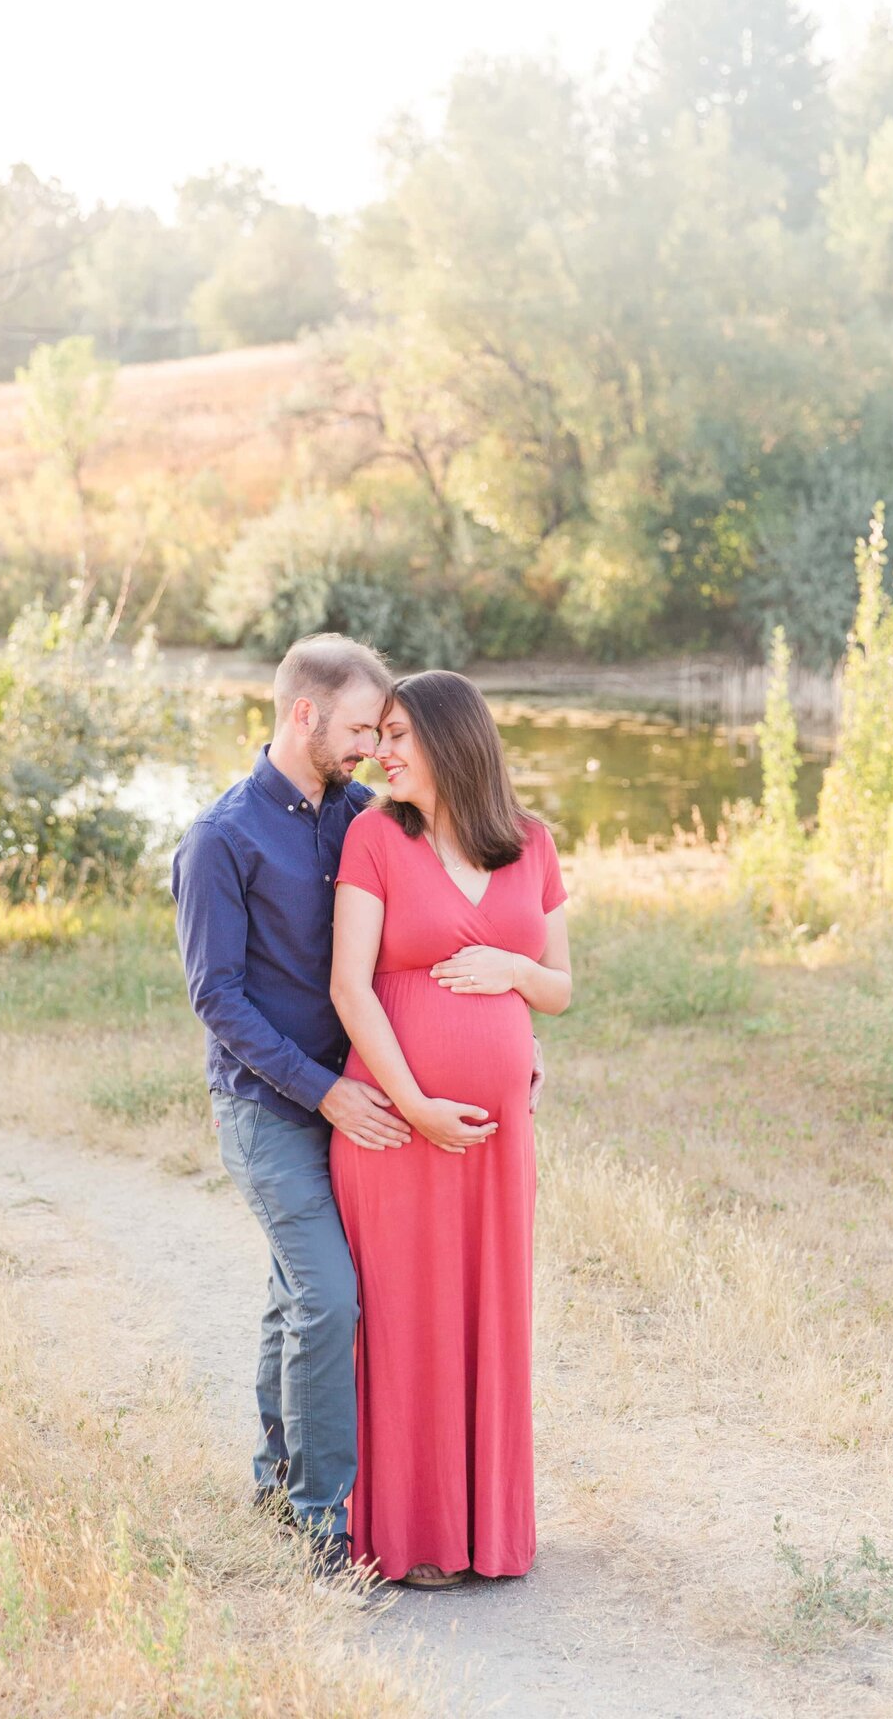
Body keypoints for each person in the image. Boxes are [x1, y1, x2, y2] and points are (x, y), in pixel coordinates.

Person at [330, 669, 572, 1587]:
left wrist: (510, 966)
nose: (379, 753)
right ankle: (418, 1535)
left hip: (500, 1138)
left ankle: (488, 1531)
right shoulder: (373, 839)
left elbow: (559, 987)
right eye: (377, 734)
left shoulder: (531, 842)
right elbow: (350, 986)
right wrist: (418, 1105)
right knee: (406, 1318)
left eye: (397, 736)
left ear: (451, 741)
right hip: (396, 1126)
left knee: (487, 1313)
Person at [170, 633, 403, 1574]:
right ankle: (319, 1522)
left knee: (291, 1296)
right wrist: (327, 1092)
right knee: (327, 1299)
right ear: (303, 713)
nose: (369, 748)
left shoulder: (366, 818)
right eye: (357, 727)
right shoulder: (219, 839)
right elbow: (216, 998)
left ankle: (273, 1478)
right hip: (268, 1113)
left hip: (353, 1105)